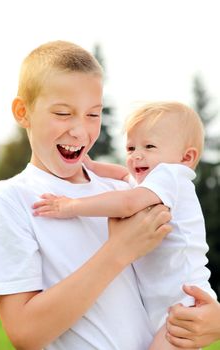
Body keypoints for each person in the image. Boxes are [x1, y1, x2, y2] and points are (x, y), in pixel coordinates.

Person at [0, 40, 172, 350]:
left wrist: (209, 319)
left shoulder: (123, 192)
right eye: (64, 113)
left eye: (93, 115)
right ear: (22, 112)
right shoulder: (10, 199)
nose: (80, 132)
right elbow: (25, 333)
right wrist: (118, 250)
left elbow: (173, 275)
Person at [32, 101, 218, 349]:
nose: (137, 155)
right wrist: (94, 167)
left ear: (186, 158)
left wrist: (71, 205)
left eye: (149, 146)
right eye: (131, 147)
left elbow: (128, 203)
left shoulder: (172, 176)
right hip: (165, 303)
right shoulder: (152, 180)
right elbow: (123, 175)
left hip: (183, 303)